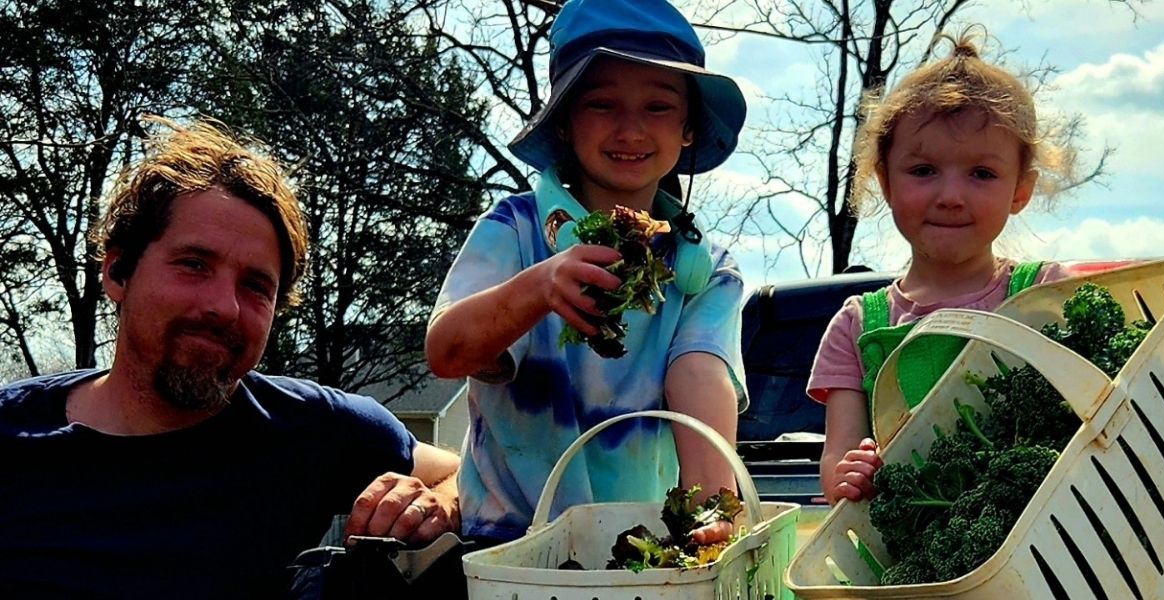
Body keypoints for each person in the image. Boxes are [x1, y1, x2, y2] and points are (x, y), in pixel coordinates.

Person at [0, 118, 461, 599]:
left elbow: (459, 472)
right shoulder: (11, 434)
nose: (225, 306)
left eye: (256, 286)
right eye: (194, 264)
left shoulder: (314, 429)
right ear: (118, 271)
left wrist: (438, 504)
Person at [425, 0, 748, 545]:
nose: (630, 129)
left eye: (658, 107)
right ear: (566, 121)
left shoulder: (706, 270)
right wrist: (537, 289)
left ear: (688, 128)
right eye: (602, 104)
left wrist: (715, 512)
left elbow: (698, 375)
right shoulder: (515, 229)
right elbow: (448, 352)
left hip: (636, 546)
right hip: (506, 544)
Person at [807, 33, 1080, 506]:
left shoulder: (1044, 293)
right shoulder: (856, 326)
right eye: (924, 170)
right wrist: (851, 475)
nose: (951, 195)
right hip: (913, 566)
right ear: (885, 181)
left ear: (1021, 191)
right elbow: (838, 463)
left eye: (981, 174)